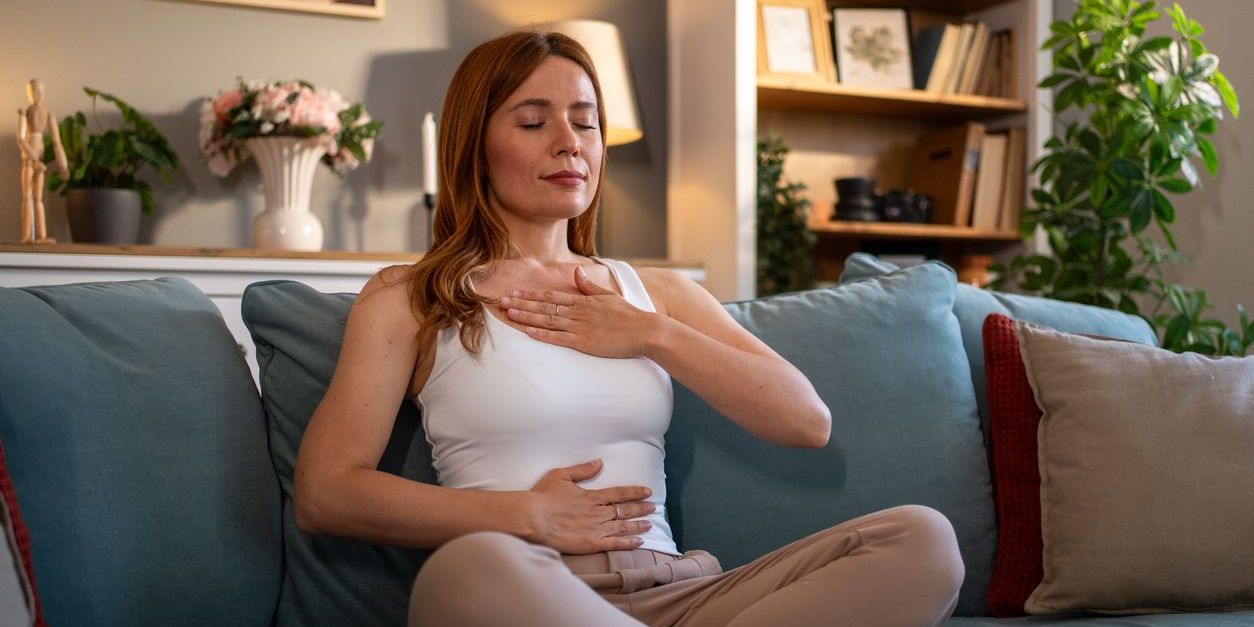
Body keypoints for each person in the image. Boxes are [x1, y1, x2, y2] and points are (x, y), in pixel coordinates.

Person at [295, 30, 965, 627]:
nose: (569, 142)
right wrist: (523, 516)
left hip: (682, 594)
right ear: (475, 143)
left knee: (921, 540)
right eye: (533, 121)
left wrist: (650, 334)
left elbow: (806, 419)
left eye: (585, 122)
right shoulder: (413, 297)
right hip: (527, 587)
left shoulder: (657, 295)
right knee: (463, 573)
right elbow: (326, 491)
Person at [17, 78, 68, 244]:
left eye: (39, 91)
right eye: (33, 91)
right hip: (29, 161)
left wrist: (63, 166)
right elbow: (21, 139)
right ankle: (27, 235)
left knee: (39, 198)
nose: (36, 95)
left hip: (40, 162)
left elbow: (57, 142)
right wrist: (34, 158)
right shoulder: (25, 114)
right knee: (27, 197)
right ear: (28, 93)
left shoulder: (48, 115)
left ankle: (42, 235)